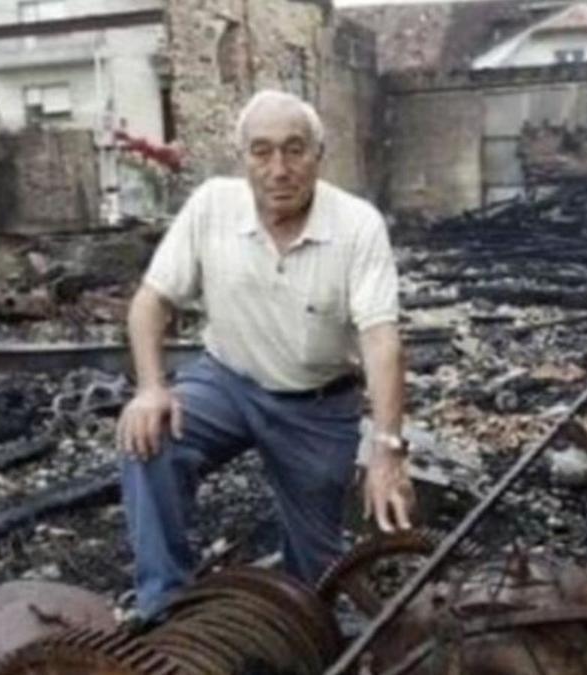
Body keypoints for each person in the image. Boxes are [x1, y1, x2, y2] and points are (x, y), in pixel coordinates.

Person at [115, 89, 414, 620]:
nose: (279, 168)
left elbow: (381, 340)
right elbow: (150, 301)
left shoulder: (357, 225)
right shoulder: (211, 205)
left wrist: (388, 449)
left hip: (318, 405)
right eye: (262, 151)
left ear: (318, 156)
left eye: (295, 150)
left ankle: (299, 633)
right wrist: (151, 387)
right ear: (244, 158)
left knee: (318, 580)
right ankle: (162, 608)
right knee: (148, 439)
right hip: (227, 381)